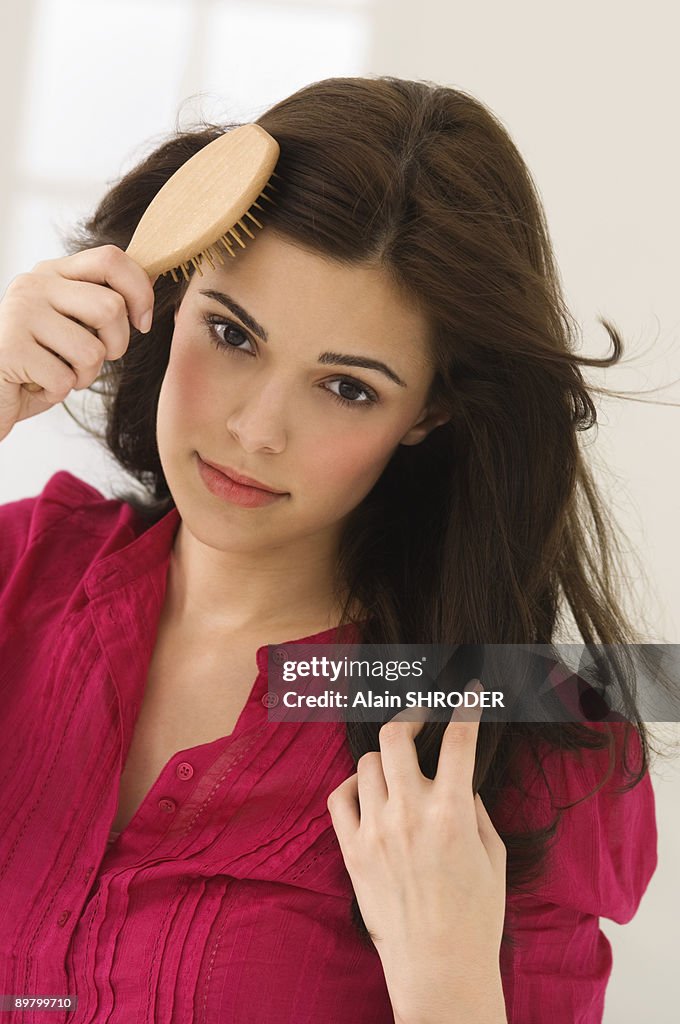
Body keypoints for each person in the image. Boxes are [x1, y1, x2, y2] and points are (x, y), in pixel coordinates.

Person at [0, 76, 666, 1023]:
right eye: (231, 334)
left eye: (347, 387)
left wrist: (449, 982)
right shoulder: (21, 573)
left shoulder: (525, 731)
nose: (256, 429)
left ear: (429, 412)